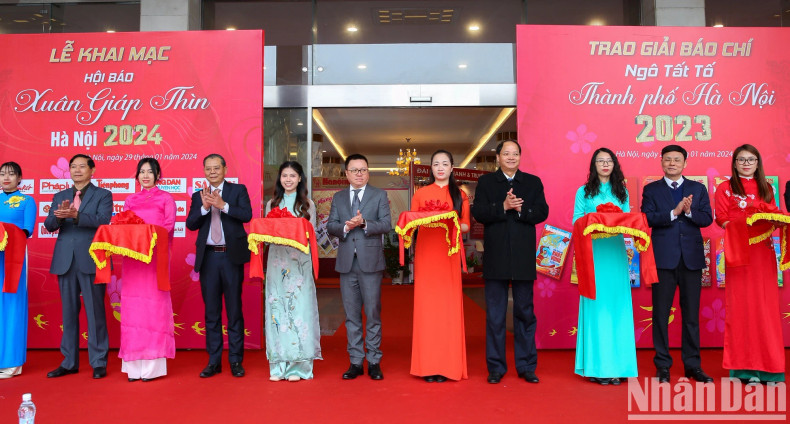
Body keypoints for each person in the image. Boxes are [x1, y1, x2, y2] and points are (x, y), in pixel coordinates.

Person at [471, 140, 549, 384]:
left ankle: (526, 366)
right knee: (495, 315)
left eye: (515, 154)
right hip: (496, 259)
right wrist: (502, 207)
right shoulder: (485, 183)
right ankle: (495, 366)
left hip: (524, 258)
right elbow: (479, 212)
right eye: (506, 153)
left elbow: (542, 212)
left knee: (525, 313)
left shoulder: (533, 182)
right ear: (498, 157)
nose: (511, 157)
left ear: (520, 157)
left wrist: (520, 211)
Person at [641, 145, 714, 384]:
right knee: (660, 314)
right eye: (668, 160)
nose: (672, 163)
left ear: (685, 163)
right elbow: (647, 218)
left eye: (677, 160)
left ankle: (693, 365)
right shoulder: (651, 189)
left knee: (691, 316)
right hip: (663, 259)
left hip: (691, 259)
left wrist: (690, 211)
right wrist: (674, 212)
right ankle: (663, 365)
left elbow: (707, 219)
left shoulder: (697, 188)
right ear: (661, 162)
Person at [714, 144, 786, 384]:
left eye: (751, 159)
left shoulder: (767, 187)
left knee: (765, 311)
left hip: (763, 255)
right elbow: (722, 219)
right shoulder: (725, 188)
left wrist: (775, 220)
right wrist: (746, 221)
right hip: (739, 254)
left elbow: (774, 214)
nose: (746, 163)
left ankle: (770, 369)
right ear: (734, 163)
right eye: (741, 159)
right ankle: (744, 370)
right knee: (742, 310)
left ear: (758, 163)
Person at [44, 154, 113, 379]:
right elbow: (49, 225)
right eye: (73, 167)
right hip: (65, 260)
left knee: (95, 313)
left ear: (92, 170)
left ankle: (98, 361)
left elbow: (103, 221)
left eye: (82, 166)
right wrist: (60, 217)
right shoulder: (60, 195)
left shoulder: (103, 194)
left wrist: (77, 216)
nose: (76, 170)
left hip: (92, 258)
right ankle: (69, 361)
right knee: (69, 313)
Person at [572, 148, 637, 385]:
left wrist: (614, 219)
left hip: (616, 253)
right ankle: (599, 367)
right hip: (594, 252)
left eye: (608, 160)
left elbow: (628, 220)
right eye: (600, 161)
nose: (605, 164)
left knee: (618, 306)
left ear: (614, 164)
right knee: (597, 306)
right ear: (594, 165)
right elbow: (576, 220)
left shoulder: (622, 191)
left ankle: (620, 366)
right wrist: (596, 219)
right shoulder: (584, 191)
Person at [186, 154, 252, 378]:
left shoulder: (237, 191)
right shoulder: (198, 195)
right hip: (209, 259)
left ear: (225, 168)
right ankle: (214, 361)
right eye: (208, 169)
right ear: (203, 171)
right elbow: (191, 224)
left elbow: (247, 215)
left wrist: (223, 206)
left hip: (231, 257)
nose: (212, 172)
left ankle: (235, 360)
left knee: (234, 311)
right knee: (211, 312)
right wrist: (204, 208)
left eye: (216, 168)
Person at [327, 153, 391, 380]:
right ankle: (355, 361)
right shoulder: (339, 197)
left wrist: (364, 223)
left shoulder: (379, 195)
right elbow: (331, 225)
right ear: (346, 173)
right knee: (351, 315)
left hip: (370, 263)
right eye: (354, 170)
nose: (359, 174)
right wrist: (345, 228)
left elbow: (386, 224)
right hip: (346, 263)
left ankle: (374, 360)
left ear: (368, 172)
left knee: (372, 313)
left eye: (363, 169)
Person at [410, 150, 470, 383]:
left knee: (447, 309)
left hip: (449, 253)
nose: (441, 167)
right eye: (436, 164)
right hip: (426, 254)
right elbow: (411, 222)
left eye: (445, 163)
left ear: (452, 167)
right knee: (427, 308)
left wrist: (450, 220)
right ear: (431, 168)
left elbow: (465, 226)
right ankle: (428, 365)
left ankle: (447, 364)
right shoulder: (421, 193)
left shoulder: (460, 195)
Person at [264, 161, 321, 382]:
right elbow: (268, 234)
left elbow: (311, 235)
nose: (288, 179)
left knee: (299, 311)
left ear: (300, 179)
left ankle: (299, 365)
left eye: (293, 176)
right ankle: (278, 365)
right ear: (279, 179)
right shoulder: (272, 204)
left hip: (299, 263)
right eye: (284, 176)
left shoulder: (308, 205)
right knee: (278, 311)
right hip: (277, 262)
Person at [120, 158, 176, 382]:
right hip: (133, 261)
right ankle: (133, 368)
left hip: (155, 259)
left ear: (157, 174)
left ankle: (152, 367)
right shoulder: (130, 199)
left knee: (154, 310)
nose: (145, 176)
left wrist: (149, 239)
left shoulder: (166, 198)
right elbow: (123, 227)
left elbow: (169, 227)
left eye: (149, 172)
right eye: (141, 172)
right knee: (133, 310)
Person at [0, 162, 35, 379]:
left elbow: (26, 230)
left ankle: (12, 363)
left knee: (13, 305)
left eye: (11, 174)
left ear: (20, 178)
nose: (6, 177)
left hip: (14, 259)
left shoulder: (27, 201)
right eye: (3, 174)